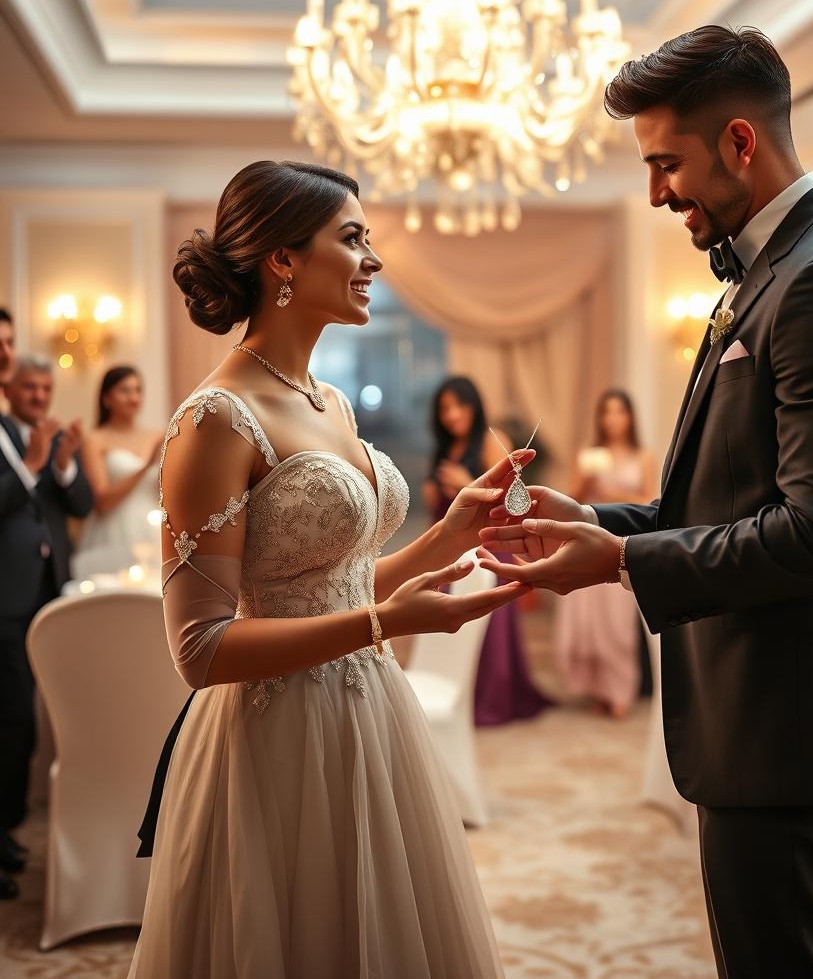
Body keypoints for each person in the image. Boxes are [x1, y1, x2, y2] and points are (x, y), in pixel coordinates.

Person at [479, 26, 813, 977]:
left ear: (739, 143)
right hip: (753, 717)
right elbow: (725, 498)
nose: (654, 194)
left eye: (665, 164)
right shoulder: (765, 275)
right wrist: (596, 520)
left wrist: (624, 562)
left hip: (791, 725)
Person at [128, 161, 533, 978]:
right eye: (352, 239)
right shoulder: (215, 418)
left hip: (370, 713)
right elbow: (200, 651)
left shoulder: (330, 403)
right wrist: (391, 623)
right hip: (273, 737)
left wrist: (446, 538)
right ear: (283, 259)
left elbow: (340, 584)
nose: (373, 260)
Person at [0, 350, 93, 900]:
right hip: (5, 598)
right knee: (10, 716)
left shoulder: (53, 438)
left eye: (45, 389)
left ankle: (9, 828)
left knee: (29, 718)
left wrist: (61, 464)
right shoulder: (12, 439)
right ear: (11, 389)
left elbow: (78, 502)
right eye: (29, 388)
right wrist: (31, 465)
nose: (38, 397)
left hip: (48, 590)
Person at [423, 376, 549, 726]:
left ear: (474, 405)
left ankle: (494, 699)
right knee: (454, 625)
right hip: (453, 553)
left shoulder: (494, 442)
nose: (452, 415)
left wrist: (466, 484)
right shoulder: (444, 450)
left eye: (458, 405)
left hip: (489, 548)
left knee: (489, 627)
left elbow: (513, 501)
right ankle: (455, 693)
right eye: (444, 409)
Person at [554, 389, 655, 716]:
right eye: (607, 412)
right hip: (588, 539)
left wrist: (611, 491)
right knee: (588, 624)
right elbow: (571, 502)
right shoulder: (588, 453)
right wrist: (584, 483)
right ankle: (597, 689)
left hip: (622, 544)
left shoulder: (644, 456)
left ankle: (621, 690)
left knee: (617, 624)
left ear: (630, 417)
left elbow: (651, 502)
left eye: (620, 412)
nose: (613, 419)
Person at [74, 366, 163, 577]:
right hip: (113, 532)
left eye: (138, 390)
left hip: (153, 531)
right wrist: (146, 466)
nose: (134, 397)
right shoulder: (95, 439)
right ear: (106, 398)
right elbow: (102, 502)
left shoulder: (157, 436)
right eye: (125, 390)